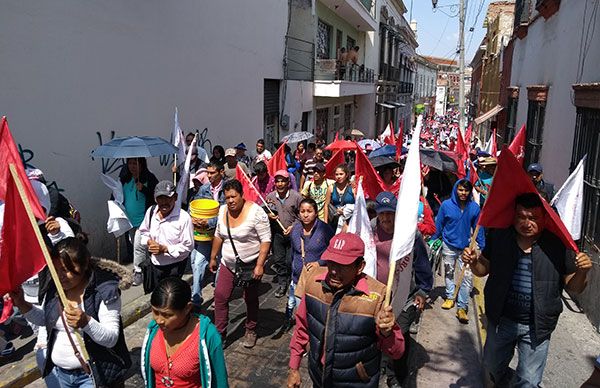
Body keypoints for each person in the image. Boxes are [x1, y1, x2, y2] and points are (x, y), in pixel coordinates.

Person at [462, 193, 592, 387]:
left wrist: (583, 271)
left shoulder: (557, 243)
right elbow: (482, 269)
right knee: (490, 373)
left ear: (545, 218)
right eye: (521, 217)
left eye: (533, 218)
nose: (526, 223)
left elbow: (574, 286)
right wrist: (473, 262)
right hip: (501, 321)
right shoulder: (500, 235)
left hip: (537, 327)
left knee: (529, 382)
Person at [9, 237, 132, 387]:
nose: (60, 276)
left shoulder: (104, 291)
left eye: (66, 270)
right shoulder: (55, 287)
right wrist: (22, 303)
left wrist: (85, 321)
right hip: (59, 376)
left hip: (91, 376)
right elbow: (46, 320)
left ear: (85, 265)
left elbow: (111, 338)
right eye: (56, 270)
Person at [287, 233, 405, 388]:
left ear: (360, 267)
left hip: (357, 382)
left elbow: (396, 352)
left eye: (343, 265)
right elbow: (302, 327)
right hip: (319, 377)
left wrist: (388, 333)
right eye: (331, 262)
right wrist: (294, 367)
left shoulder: (377, 297)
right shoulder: (313, 283)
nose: (334, 271)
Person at [371, 192, 433, 388]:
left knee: (400, 333)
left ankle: (396, 376)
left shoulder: (410, 234)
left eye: (390, 213)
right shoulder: (369, 229)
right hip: (376, 294)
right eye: (382, 213)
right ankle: (377, 366)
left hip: (405, 295)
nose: (386, 218)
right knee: (376, 332)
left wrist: (422, 292)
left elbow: (423, 266)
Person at [209, 179, 271, 348]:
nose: (230, 201)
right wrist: (213, 257)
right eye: (227, 197)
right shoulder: (222, 211)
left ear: (242, 195)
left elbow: (266, 240)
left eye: (234, 196)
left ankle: (251, 328)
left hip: (250, 264)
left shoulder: (256, 213)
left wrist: (260, 264)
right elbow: (218, 235)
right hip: (228, 263)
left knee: (250, 298)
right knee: (220, 297)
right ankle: (220, 333)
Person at [142, 277, 228, 387]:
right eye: (155, 312)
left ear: (187, 308)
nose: (159, 320)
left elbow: (220, 380)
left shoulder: (208, 335)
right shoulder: (153, 330)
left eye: (167, 315)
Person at [431, 179, 485, 323]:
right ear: (456, 189)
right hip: (448, 245)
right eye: (461, 190)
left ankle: (462, 306)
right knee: (449, 273)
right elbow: (439, 224)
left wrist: (483, 245)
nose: (463, 193)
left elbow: (478, 228)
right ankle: (450, 297)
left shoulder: (474, 208)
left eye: (466, 190)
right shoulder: (446, 206)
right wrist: (433, 239)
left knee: (466, 278)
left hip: (466, 248)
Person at [285, 198, 334, 329]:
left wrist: (320, 262)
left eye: (309, 211)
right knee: (301, 314)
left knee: (317, 316)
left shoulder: (324, 229)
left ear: (316, 213)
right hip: (298, 280)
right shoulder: (295, 230)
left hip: (318, 282)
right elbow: (293, 253)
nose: (305, 215)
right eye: (302, 211)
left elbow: (332, 251)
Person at [138, 181, 194, 292]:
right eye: (160, 198)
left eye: (168, 198)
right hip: (155, 265)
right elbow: (144, 232)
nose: (164, 202)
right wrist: (150, 242)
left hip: (174, 267)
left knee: (170, 299)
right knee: (158, 296)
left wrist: (164, 249)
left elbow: (188, 246)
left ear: (175, 197)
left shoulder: (183, 218)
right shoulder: (151, 212)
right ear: (155, 199)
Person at [189, 162, 226, 308]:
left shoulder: (227, 188)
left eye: (212, 173)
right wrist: (192, 218)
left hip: (221, 235)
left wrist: (209, 222)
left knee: (220, 264)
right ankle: (196, 299)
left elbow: (228, 213)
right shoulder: (204, 189)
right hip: (204, 236)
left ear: (221, 172)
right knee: (197, 263)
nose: (209, 176)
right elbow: (193, 206)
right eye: (208, 173)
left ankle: (219, 297)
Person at [118, 158, 158, 285]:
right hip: (130, 221)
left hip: (144, 220)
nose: (132, 166)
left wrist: (144, 189)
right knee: (136, 244)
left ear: (141, 164)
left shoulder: (149, 178)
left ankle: (138, 272)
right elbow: (118, 194)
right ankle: (149, 268)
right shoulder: (125, 179)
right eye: (130, 163)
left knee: (138, 247)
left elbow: (157, 196)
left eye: (135, 163)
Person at [265, 170, 303, 298]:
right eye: (277, 181)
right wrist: (268, 215)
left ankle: (293, 282)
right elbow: (263, 211)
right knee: (279, 260)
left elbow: (302, 215)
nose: (280, 184)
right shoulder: (270, 197)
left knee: (290, 261)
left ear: (288, 183)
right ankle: (282, 284)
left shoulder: (296, 197)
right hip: (277, 234)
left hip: (293, 234)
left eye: (283, 181)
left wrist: (293, 227)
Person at [325, 163, 355, 231]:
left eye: (341, 174)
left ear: (346, 175)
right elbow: (326, 205)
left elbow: (358, 205)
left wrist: (345, 211)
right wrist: (325, 222)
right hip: (334, 221)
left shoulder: (353, 188)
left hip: (349, 221)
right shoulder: (331, 188)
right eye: (336, 174)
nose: (339, 176)